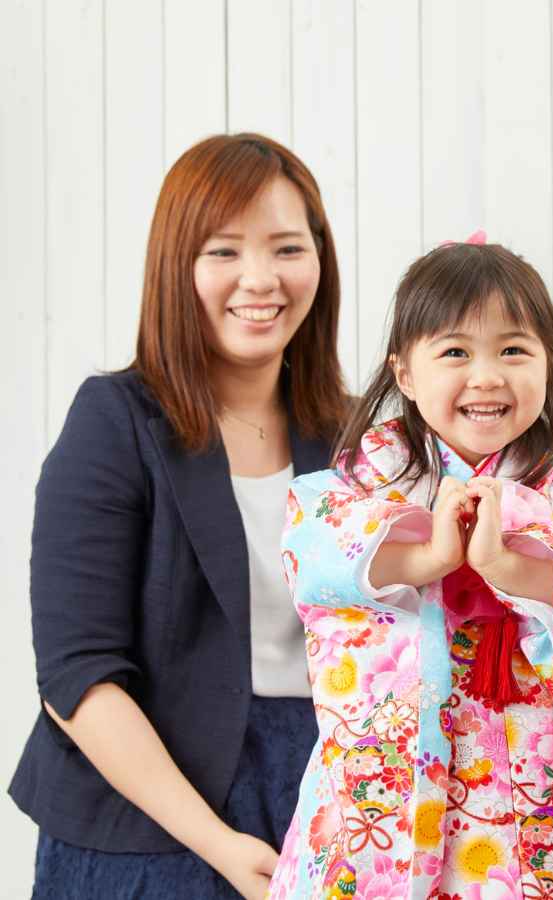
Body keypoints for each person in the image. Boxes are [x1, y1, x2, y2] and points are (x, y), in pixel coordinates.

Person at [266, 238, 553, 898]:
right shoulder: (376, 469)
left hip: (542, 767)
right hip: (410, 756)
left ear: (549, 363)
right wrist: (428, 557)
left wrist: (507, 565)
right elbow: (315, 554)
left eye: (514, 350)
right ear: (404, 373)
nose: (487, 376)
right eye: (455, 352)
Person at [10, 133, 349, 898]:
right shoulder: (116, 422)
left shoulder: (356, 437)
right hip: (144, 821)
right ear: (177, 269)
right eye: (223, 251)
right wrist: (219, 845)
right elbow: (77, 677)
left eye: (287, 248)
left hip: (323, 805)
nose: (259, 280)